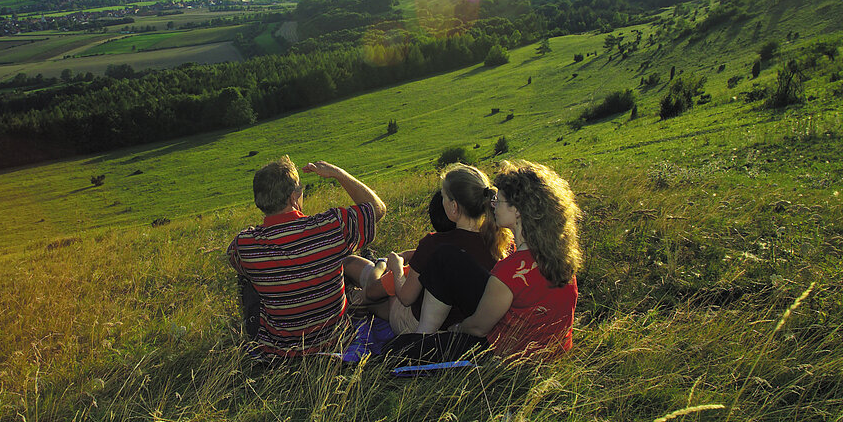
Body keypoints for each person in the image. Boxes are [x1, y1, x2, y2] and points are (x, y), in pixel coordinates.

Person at [388, 160, 582, 364]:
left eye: (500, 199)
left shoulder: (510, 271)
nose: (494, 203)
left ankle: (421, 344)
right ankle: (424, 338)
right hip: (549, 352)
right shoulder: (556, 258)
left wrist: (456, 329)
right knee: (447, 257)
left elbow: (477, 328)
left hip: (503, 355)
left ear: (517, 211)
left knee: (395, 349)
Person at [228, 156, 386, 359]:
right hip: (336, 340)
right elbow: (377, 208)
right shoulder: (330, 226)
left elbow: (236, 260)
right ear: (293, 198)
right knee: (335, 258)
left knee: (246, 276)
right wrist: (338, 173)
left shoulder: (243, 244)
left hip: (279, 351)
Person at [365, 164, 512, 334]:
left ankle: (365, 298)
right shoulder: (500, 243)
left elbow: (406, 298)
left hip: (424, 329)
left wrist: (397, 267)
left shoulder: (434, 244)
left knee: (390, 297)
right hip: (465, 328)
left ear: (454, 206)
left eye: (443, 197)